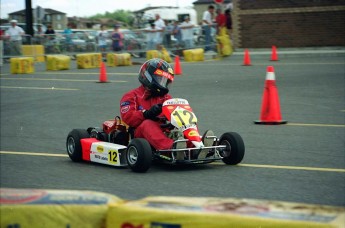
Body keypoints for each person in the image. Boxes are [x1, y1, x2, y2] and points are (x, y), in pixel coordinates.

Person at [120, 58, 214, 158]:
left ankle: (196, 147)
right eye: (160, 80)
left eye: (165, 81)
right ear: (148, 77)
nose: (163, 84)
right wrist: (146, 113)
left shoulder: (166, 98)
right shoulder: (131, 96)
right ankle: (171, 149)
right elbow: (128, 117)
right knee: (148, 124)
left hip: (163, 130)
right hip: (140, 134)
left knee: (183, 123)